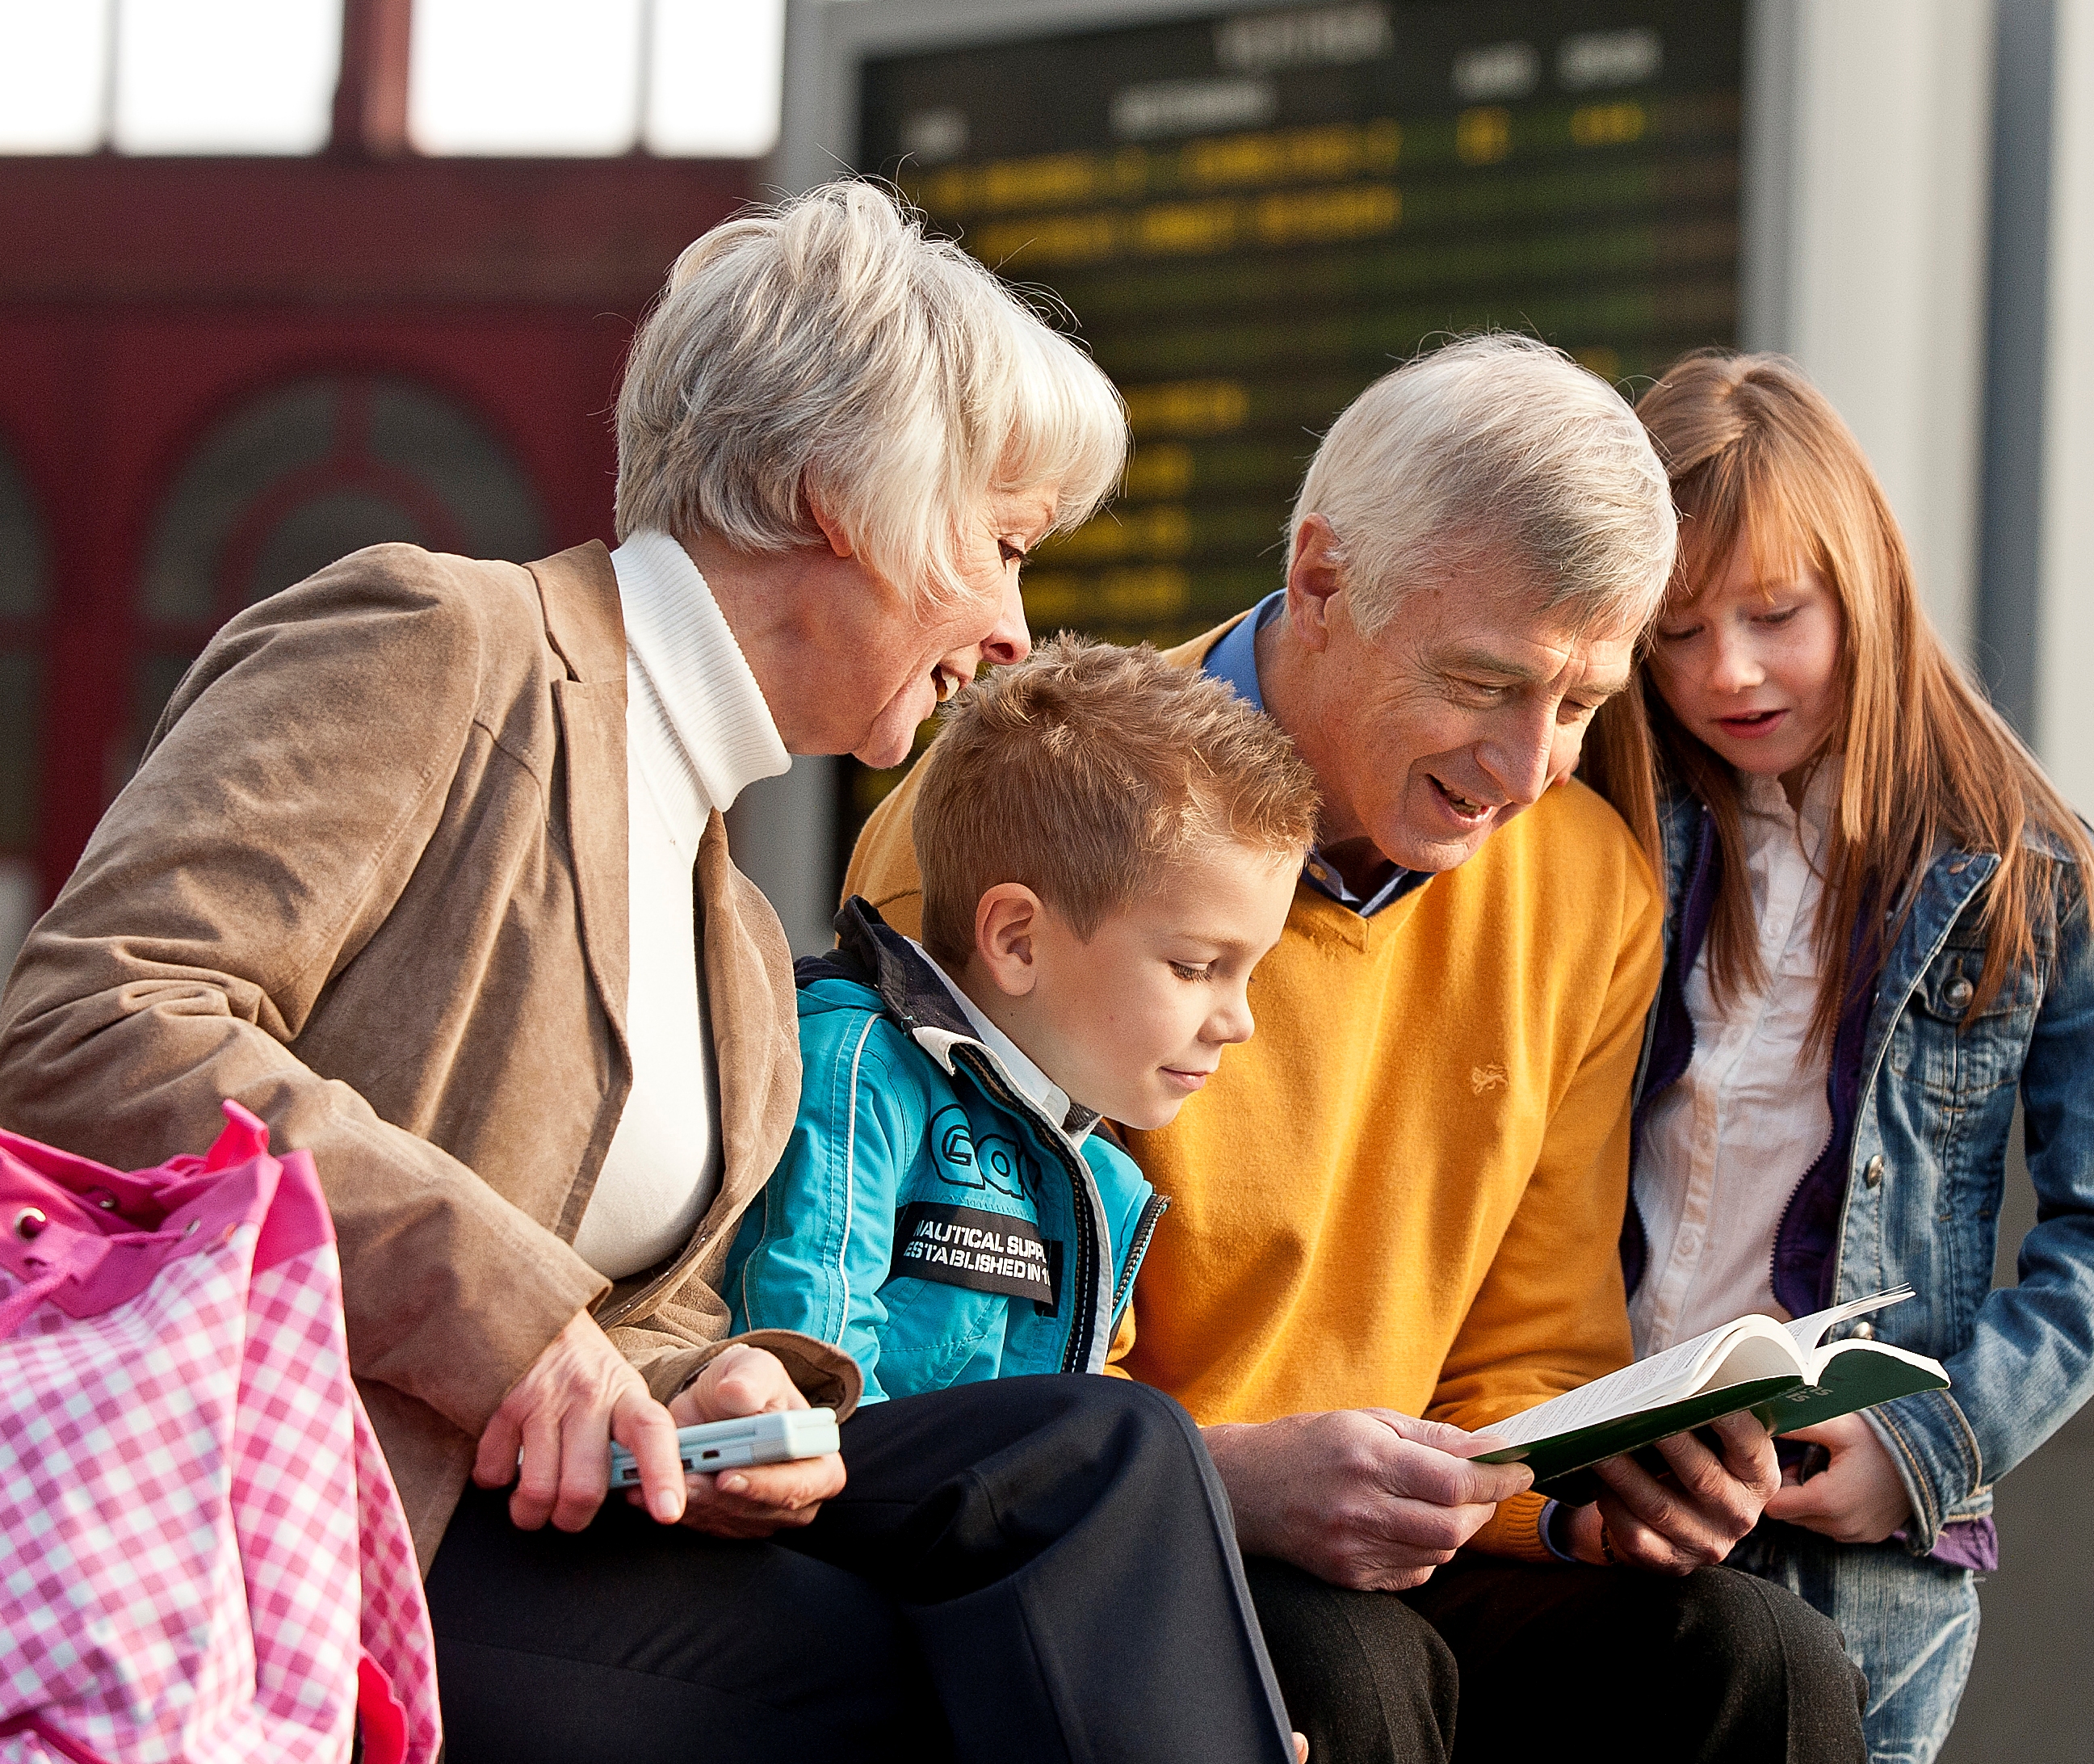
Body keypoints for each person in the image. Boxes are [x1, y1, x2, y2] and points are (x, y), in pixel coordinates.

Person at [0, 183, 1302, 1764]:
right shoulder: (437, 643)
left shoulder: (742, 939)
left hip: (534, 1531)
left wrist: (714, 1376)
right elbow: (88, 1026)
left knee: (1095, 1469)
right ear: (842, 494)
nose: (1018, 631)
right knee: (1064, 1524)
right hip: (288, 1527)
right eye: (1001, 547)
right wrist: (509, 1318)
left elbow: (642, 1310)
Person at [846, 333, 1869, 1763]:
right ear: (1320, 579)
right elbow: (929, 1354)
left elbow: (1527, 1350)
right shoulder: (1018, 816)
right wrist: (1230, 1481)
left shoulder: (1584, 883)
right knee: (1342, 1654)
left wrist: (1586, 1490)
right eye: (1483, 681)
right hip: (1102, 1535)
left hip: (1401, 1550)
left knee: (1760, 1662)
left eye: (1578, 704)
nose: (1525, 772)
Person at [1579, 351, 2094, 1762]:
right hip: (1602, 1494)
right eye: (1674, 631)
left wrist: (1930, 1442)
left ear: (1866, 583)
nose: (1724, 669)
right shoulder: (1604, 828)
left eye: (1773, 614)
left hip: (1848, 1538)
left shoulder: (2028, 870)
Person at [724, 636, 1315, 1405]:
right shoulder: (856, 1070)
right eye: (1196, 967)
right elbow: (812, 1392)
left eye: (1250, 972)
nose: (1238, 1022)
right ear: (1016, 941)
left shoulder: (1101, 1172)